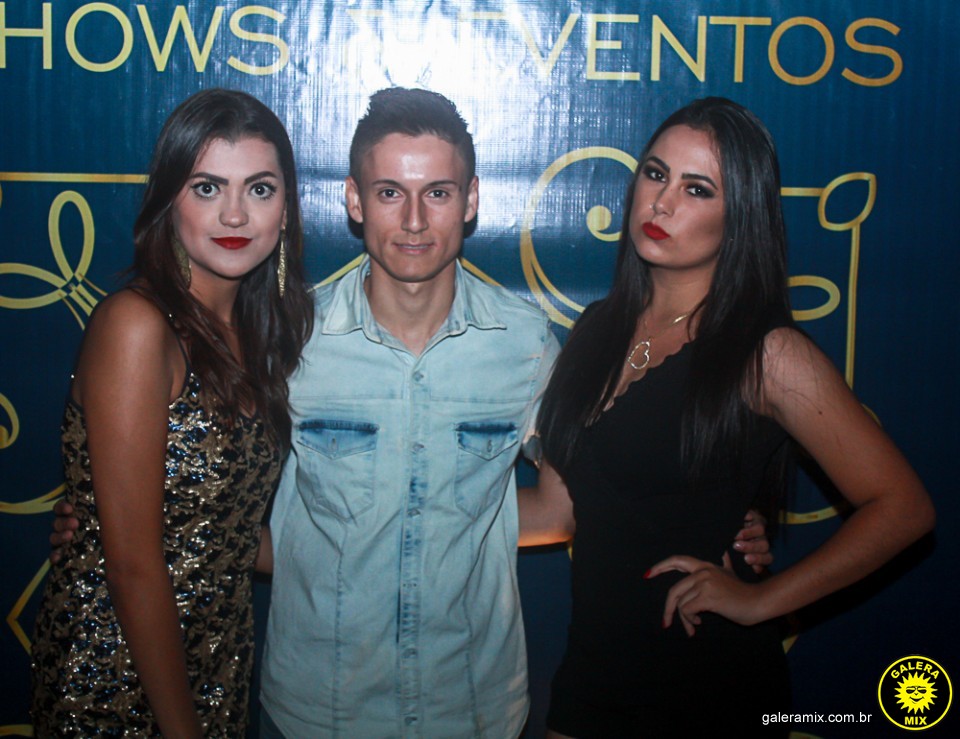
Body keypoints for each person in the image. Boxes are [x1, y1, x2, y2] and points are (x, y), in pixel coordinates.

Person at [47, 88, 772, 737]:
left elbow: (577, 498)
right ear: (354, 201)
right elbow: (214, 492)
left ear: (472, 199)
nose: (416, 220)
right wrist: (117, 522)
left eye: (439, 193)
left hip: (475, 706)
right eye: (390, 192)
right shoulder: (290, 341)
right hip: (316, 711)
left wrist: (714, 516)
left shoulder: (526, 344)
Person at [523, 97, 935, 736]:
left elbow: (904, 509)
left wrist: (760, 601)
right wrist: (414, 509)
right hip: (591, 680)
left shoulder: (767, 354)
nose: (662, 203)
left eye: (697, 189)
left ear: (739, 216)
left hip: (708, 684)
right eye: (655, 174)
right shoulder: (595, 330)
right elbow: (555, 512)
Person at [30, 88, 314, 737]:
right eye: (207, 187)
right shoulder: (137, 325)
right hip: (116, 672)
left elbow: (224, 531)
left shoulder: (262, 335)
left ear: (287, 210)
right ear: (169, 200)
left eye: (260, 189)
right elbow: (133, 563)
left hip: (219, 657)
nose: (235, 213)